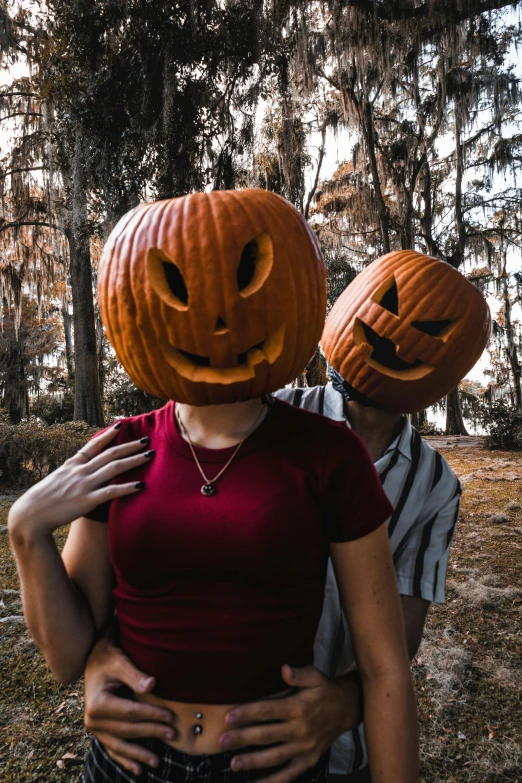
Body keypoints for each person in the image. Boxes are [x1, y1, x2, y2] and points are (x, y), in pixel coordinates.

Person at [8, 192, 419, 783]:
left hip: (273, 766)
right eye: (178, 291)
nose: (218, 320)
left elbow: (386, 669)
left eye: (249, 280)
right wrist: (27, 530)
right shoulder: (120, 451)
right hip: (132, 764)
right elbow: (68, 656)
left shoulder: (330, 455)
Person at [81, 250, 491, 783]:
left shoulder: (435, 486)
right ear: (342, 308)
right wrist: (97, 658)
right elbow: (169, 553)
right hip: (201, 727)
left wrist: (342, 707)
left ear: (454, 363)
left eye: (434, 329)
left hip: (343, 745)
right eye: (385, 303)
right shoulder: (257, 413)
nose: (399, 331)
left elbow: (402, 638)